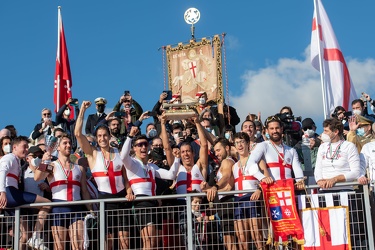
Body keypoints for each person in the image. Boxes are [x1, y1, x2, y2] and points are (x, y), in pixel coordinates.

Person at [75, 100, 134, 250]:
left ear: (109, 136)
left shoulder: (118, 152)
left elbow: (125, 177)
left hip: (121, 199)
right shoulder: (93, 154)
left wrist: (128, 190)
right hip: (104, 201)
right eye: (99, 136)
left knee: (124, 241)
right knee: (107, 242)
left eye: (105, 135)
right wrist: (82, 110)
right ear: (96, 138)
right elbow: (77, 133)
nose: (102, 138)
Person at [120, 126, 179, 250]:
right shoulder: (132, 163)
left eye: (145, 144)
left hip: (153, 203)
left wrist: (177, 158)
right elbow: (123, 157)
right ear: (134, 148)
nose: (143, 147)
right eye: (139, 145)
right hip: (141, 203)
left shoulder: (151, 167)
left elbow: (170, 175)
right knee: (149, 240)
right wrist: (130, 137)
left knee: (155, 241)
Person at [34, 134, 92, 250]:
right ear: (58, 148)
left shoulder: (79, 168)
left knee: (78, 246)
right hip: (59, 208)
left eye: (70, 143)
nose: (68, 145)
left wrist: (91, 209)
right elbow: (37, 177)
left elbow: (84, 191)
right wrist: (44, 161)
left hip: (77, 208)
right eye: (65, 143)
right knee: (59, 247)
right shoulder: (52, 166)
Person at [0, 136, 50, 250]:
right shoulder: (10, 157)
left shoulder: (17, 163)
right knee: (47, 203)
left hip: (14, 197)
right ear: (14, 147)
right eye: (24, 147)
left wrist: (45, 161)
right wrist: (2, 192)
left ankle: (33, 238)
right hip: (10, 194)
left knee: (25, 234)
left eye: (27, 147)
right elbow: (1, 171)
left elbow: (40, 174)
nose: (26, 149)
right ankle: (36, 237)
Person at [232, 132, 270, 250]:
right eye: (237, 142)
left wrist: (259, 190)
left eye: (242, 142)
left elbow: (267, 177)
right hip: (238, 200)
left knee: (256, 235)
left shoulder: (257, 160)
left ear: (248, 144)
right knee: (241, 237)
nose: (240, 145)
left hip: (252, 198)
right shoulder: (234, 165)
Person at [246, 115, 303, 186]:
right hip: (271, 191)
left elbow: (297, 170)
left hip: (288, 191)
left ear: (281, 129)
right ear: (267, 130)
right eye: (271, 128)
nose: (275, 131)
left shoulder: (291, 150)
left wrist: (300, 181)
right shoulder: (262, 146)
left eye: (277, 128)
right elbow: (250, 164)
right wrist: (262, 178)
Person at [200, 137, 236, 250]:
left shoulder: (227, 161)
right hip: (225, 202)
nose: (216, 154)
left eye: (218, 150)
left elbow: (226, 177)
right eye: (215, 151)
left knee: (229, 240)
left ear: (227, 148)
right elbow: (226, 188)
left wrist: (214, 187)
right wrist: (208, 188)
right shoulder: (226, 162)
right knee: (227, 239)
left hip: (229, 203)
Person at [314, 118, 361, 191]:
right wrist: (319, 180)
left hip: (344, 190)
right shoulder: (322, 147)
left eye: (326, 131)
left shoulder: (349, 146)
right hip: (325, 190)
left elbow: (356, 172)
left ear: (335, 132)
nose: (323, 133)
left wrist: (335, 179)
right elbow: (318, 168)